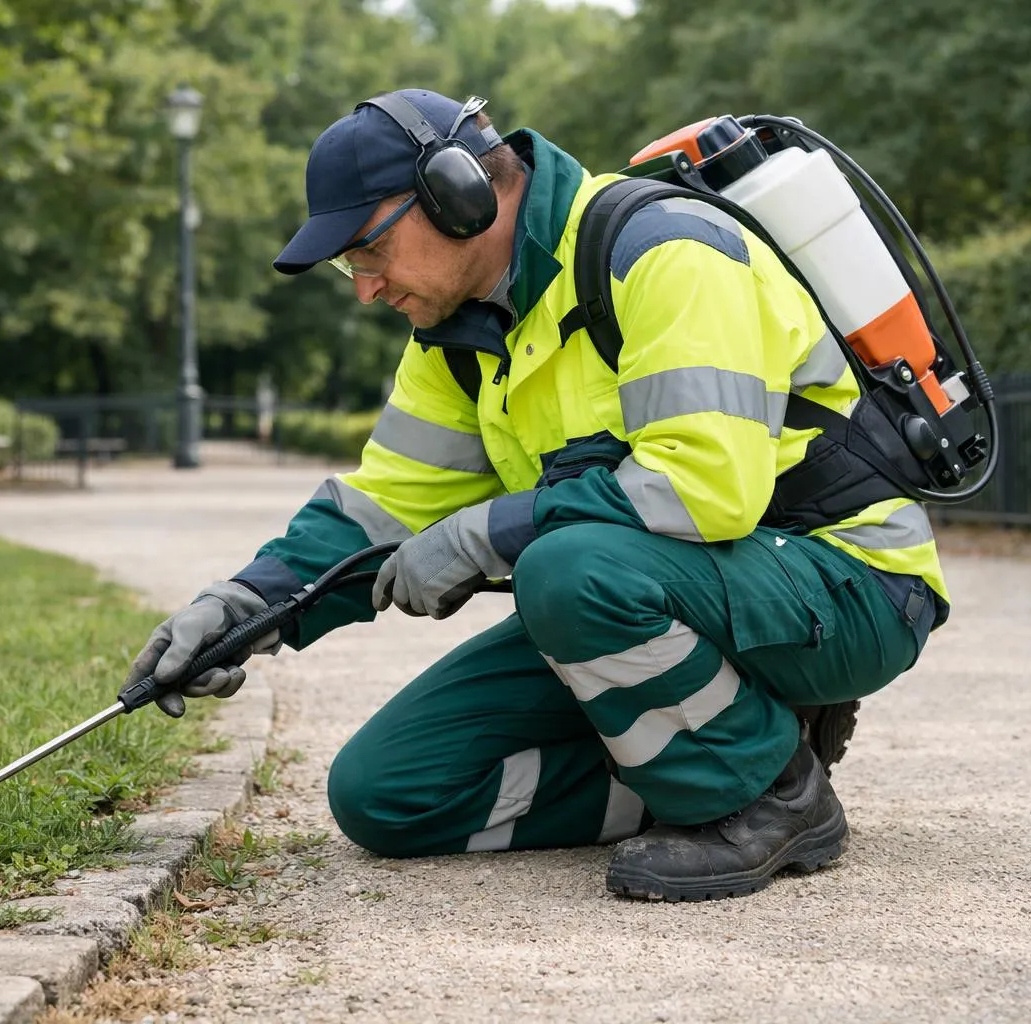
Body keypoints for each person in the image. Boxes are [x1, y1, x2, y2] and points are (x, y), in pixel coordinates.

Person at [125, 89, 947, 902]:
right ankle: (732, 746)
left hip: (849, 584)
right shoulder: (458, 339)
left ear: (457, 196)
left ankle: (767, 795)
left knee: (564, 569)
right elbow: (382, 509)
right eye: (349, 266)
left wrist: (484, 533)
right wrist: (243, 609)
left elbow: (703, 486)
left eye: (367, 251)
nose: (364, 288)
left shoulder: (666, 251)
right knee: (388, 793)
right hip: (670, 593)